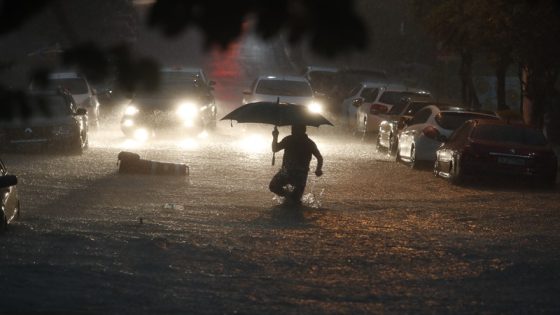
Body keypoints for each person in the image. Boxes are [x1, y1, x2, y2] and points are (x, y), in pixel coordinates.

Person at [269, 124, 323, 205]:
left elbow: (319, 157)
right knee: (273, 186)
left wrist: (318, 169)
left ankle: (291, 199)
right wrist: (275, 136)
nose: (292, 132)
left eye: (294, 130)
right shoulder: (289, 139)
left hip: (300, 175)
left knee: (295, 202)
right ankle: (288, 195)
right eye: (292, 130)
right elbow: (275, 149)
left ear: (303, 131)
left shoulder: (308, 143)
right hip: (287, 172)